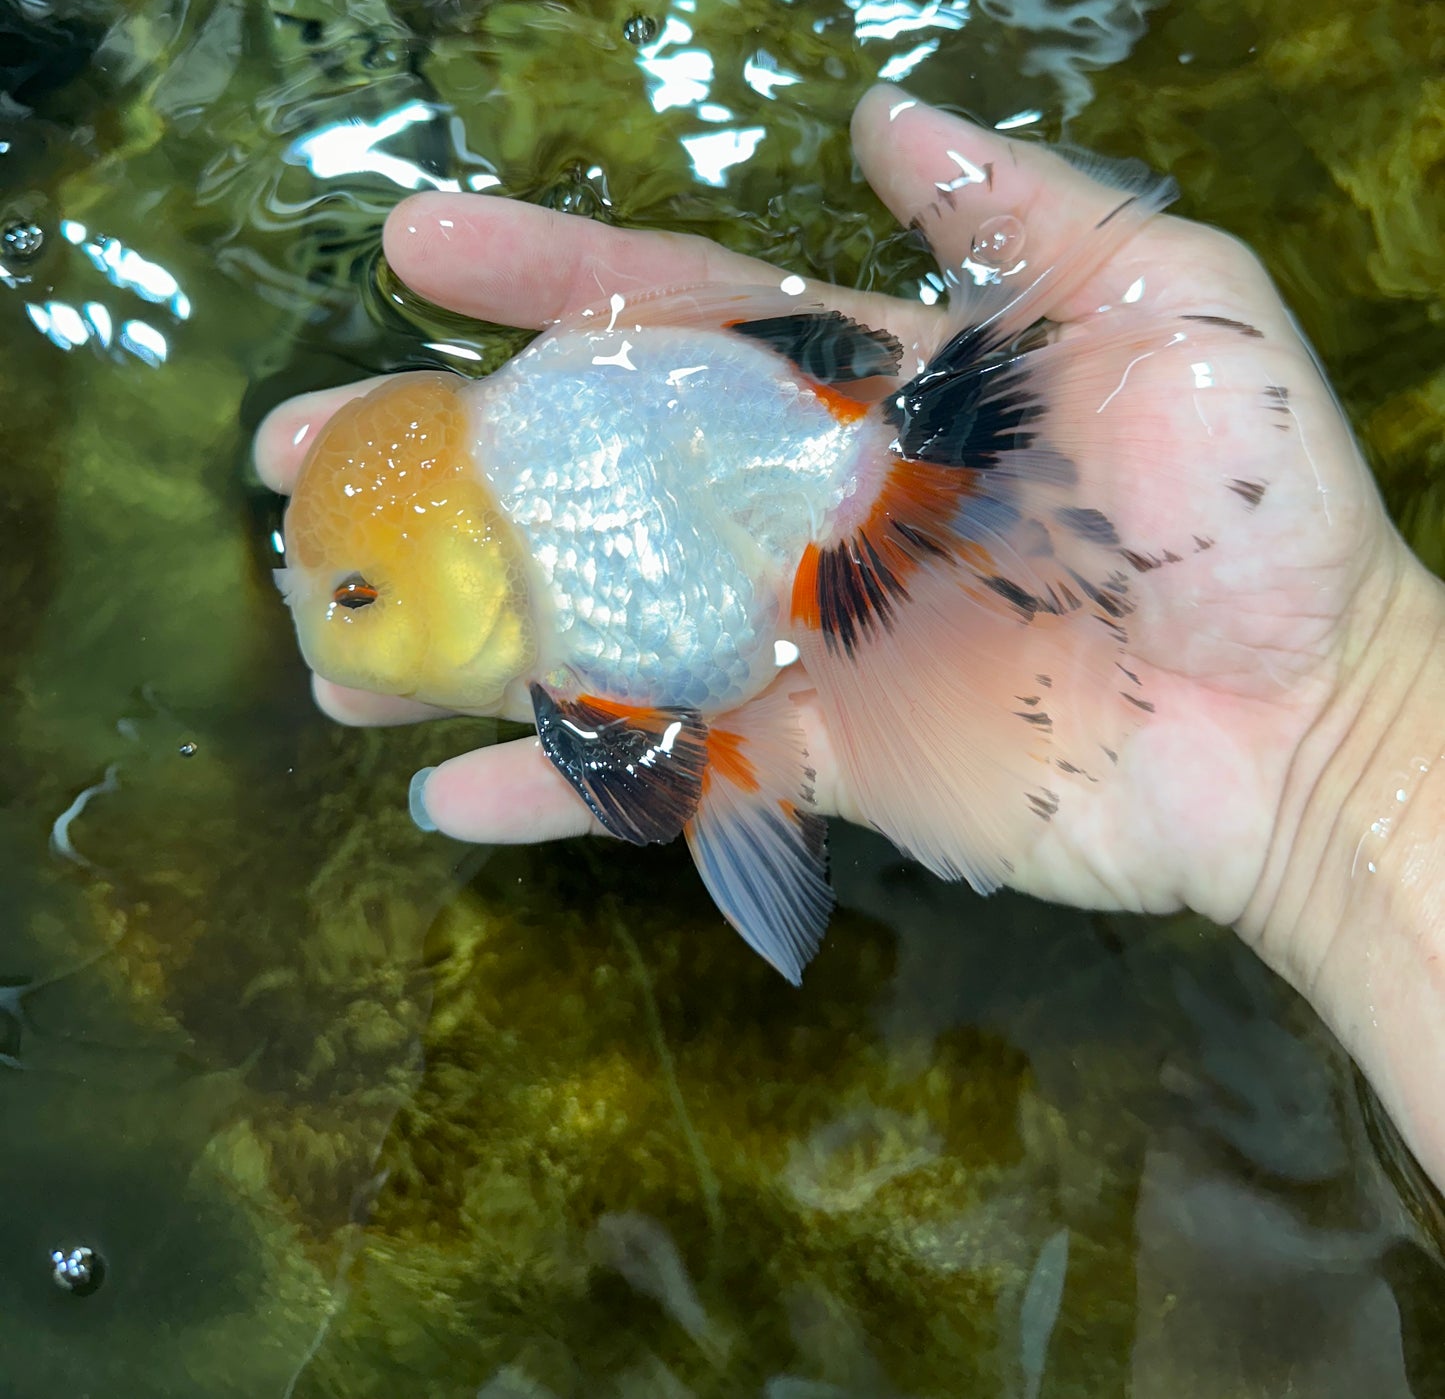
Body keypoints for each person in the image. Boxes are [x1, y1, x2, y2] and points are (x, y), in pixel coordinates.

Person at [255, 87, 1445, 1193]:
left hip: (806, 477)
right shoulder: (540, 496)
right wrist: (1353, 733)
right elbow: (668, 759)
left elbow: (656, 755)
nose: (326, 623)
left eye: (355, 595)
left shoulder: (551, 458)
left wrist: (1352, 715)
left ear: (459, 567)